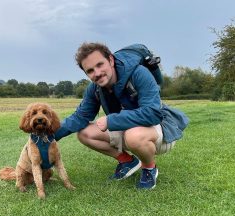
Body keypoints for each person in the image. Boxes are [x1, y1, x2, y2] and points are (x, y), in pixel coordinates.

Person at [55, 42, 189, 189]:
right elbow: (79, 117)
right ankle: (127, 162)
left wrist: (111, 120)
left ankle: (149, 168)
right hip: (129, 129)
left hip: (159, 131)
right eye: (90, 70)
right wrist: (48, 135)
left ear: (111, 60)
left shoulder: (139, 73)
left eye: (100, 65)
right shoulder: (95, 88)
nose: (97, 73)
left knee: (134, 136)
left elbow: (153, 113)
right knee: (84, 133)